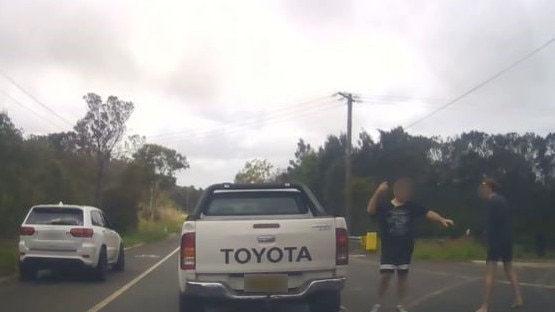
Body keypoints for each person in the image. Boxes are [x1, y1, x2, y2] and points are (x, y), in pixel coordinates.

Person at [367, 177, 454, 312]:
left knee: (402, 276)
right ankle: (378, 303)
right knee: (385, 276)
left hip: (405, 248)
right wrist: (378, 192)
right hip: (389, 248)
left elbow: (428, 212)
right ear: (395, 191)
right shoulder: (384, 206)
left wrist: (441, 219)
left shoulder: (411, 206)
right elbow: (370, 210)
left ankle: (400, 305)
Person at [475, 178, 523, 312]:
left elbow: (488, 223)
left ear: (490, 188)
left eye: (484, 188)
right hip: (507, 239)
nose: (482, 190)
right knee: (510, 269)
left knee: (490, 273)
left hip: (495, 241)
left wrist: (478, 232)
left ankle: (485, 306)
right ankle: (518, 298)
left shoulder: (491, 202)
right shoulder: (503, 200)